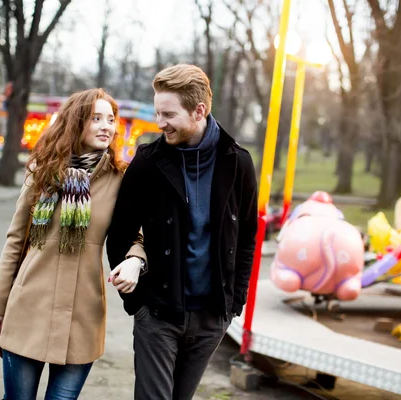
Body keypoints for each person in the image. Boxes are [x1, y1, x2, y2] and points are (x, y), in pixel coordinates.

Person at [106, 64, 258, 400]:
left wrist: (234, 304)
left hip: (212, 317)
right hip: (158, 314)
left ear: (199, 110)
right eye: (158, 112)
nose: (160, 123)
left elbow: (248, 237)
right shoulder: (147, 162)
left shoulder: (238, 163)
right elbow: (119, 232)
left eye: (168, 114)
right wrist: (137, 303)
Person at [0, 88, 146, 400]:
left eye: (110, 119)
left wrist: (135, 260)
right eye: (96, 118)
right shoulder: (43, 171)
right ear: (76, 123)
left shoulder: (120, 179)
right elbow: (16, 240)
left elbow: (136, 236)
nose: (106, 126)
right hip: (28, 308)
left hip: (82, 317)